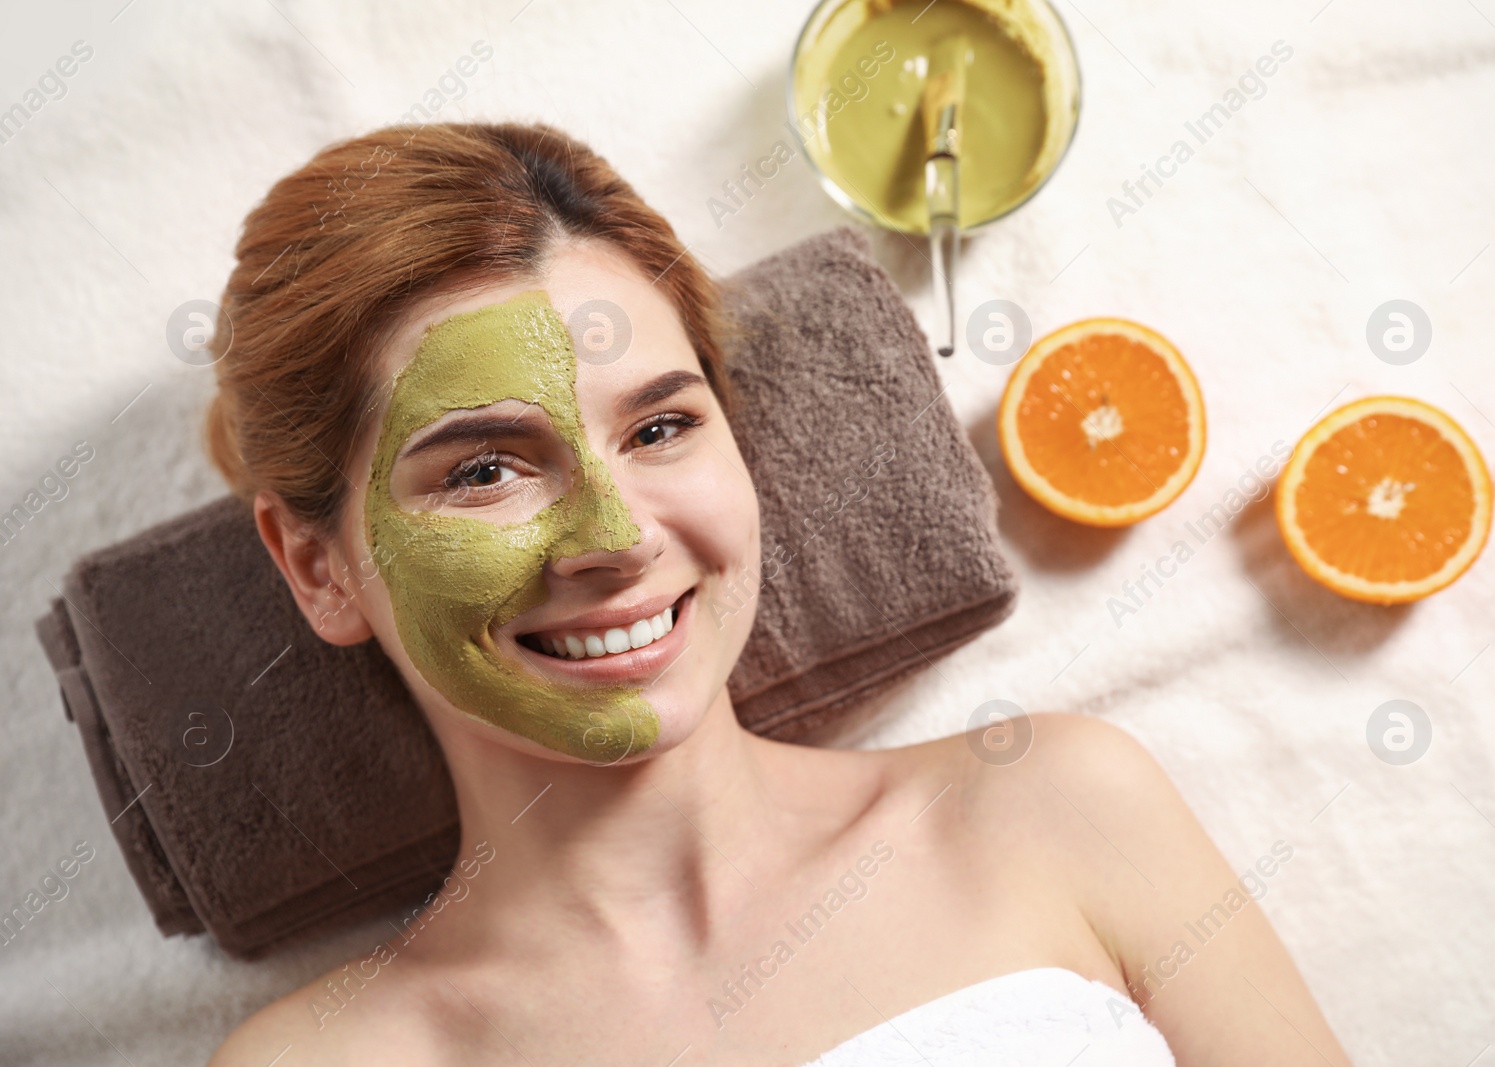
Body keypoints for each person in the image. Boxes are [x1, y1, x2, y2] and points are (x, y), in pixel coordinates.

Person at [207, 122, 1350, 1066]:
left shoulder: (1055, 807)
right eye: (485, 469)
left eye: (660, 426)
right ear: (318, 564)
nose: (615, 537)